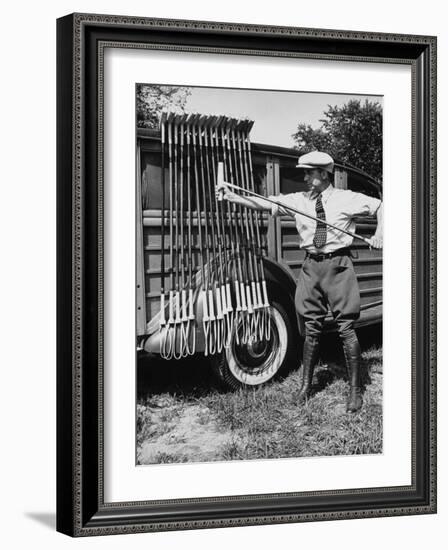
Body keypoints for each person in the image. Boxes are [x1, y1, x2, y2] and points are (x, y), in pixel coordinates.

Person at [216, 151, 383, 412]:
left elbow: (382, 206)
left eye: (309, 173)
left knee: (346, 328)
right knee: (311, 328)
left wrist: (379, 233)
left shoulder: (346, 198)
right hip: (311, 267)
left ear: (323, 174)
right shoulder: (298, 200)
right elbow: (263, 202)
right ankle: (305, 387)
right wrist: (232, 196)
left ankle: (354, 390)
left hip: (337, 266)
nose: (304, 177)